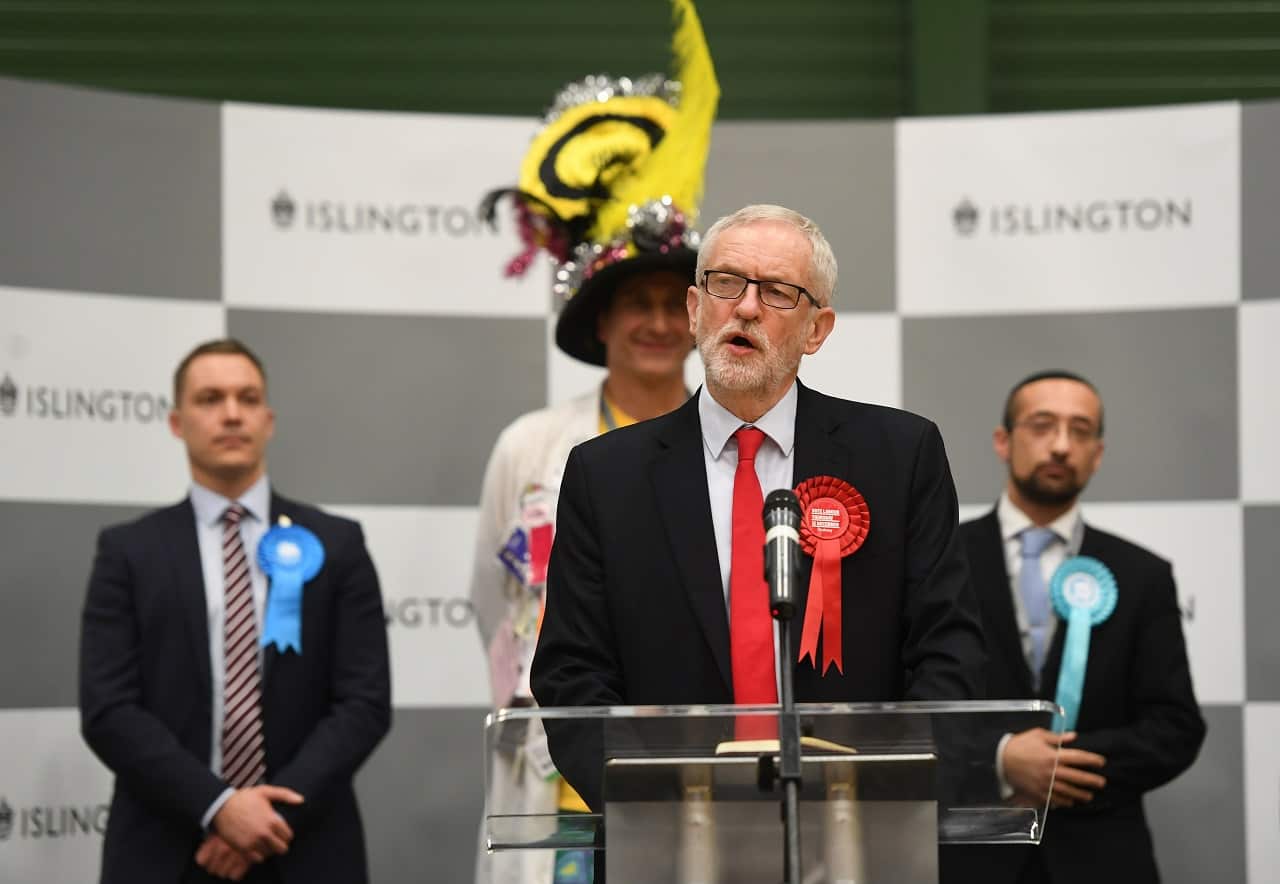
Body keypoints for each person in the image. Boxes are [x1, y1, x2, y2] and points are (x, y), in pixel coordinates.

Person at [530, 203, 987, 809]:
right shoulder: (605, 474)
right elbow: (572, 673)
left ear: (817, 329)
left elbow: (949, 653)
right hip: (669, 828)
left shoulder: (900, 457)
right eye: (726, 283)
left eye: (777, 292)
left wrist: (891, 798)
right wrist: (648, 802)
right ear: (696, 309)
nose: (745, 307)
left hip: (858, 825)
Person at [470, 3, 719, 882]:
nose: (656, 323)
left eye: (673, 304)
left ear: (699, 321)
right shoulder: (532, 446)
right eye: (633, 304)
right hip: (557, 764)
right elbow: (492, 600)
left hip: (702, 759)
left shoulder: (732, 446)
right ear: (599, 322)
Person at [79, 338, 391, 884]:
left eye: (248, 399)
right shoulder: (128, 552)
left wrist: (267, 817)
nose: (231, 414)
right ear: (176, 423)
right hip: (167, 849)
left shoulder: (337, 544)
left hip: (306, 846)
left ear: (268, 421)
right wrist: (219, 807)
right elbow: (109, 709)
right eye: (210, 399)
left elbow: (363, 703)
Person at [958, 369, 1205, 883]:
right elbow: (905, 705)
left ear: (1098, 453)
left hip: (1103, 859)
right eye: (1042, 425)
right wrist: (999, 758)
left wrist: (1063, 766)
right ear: (1003, 441)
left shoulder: (1142, 575)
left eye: (1081, 430)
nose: (1061, 446)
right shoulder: (942, 561)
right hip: (970, 856)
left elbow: (1175, 726)